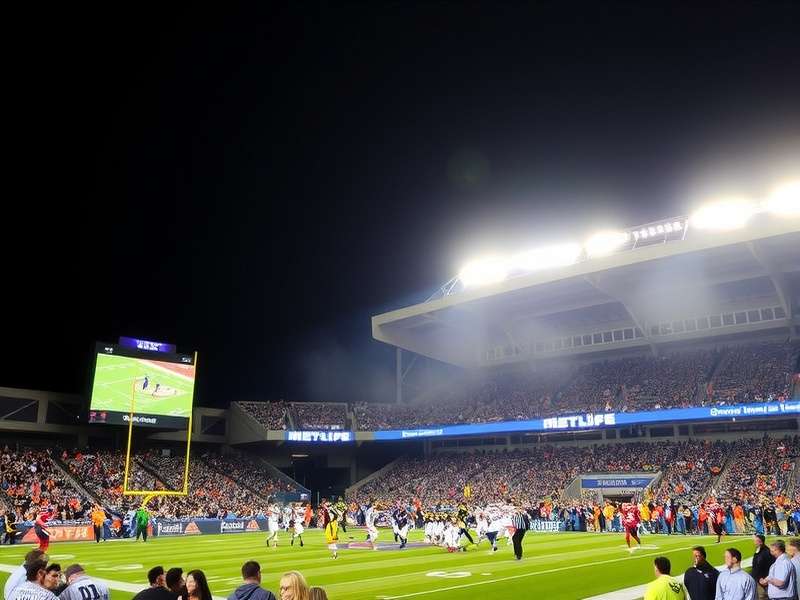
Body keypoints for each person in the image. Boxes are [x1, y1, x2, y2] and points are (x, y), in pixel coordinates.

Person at [752, 534, 775, 600]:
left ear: (761, 542)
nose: (754, 542)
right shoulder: (758, 549)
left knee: (766, 596)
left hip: (764, 580)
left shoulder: (767, 552)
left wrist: (765, 579)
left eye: (756, 541)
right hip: (758, 578)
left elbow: (771, 566)